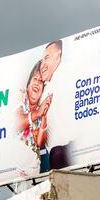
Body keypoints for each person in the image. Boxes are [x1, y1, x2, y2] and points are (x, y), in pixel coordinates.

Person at [39, 40, 73, 170]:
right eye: (42, 60)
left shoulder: (66, 74)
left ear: (59, 56)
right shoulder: (48, 85)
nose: (43, 64)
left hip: (65, 149)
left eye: (47, 58)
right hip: (54, 152)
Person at [15, 61, 52, 176]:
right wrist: (38, 112)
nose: (37, 83)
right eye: (35, 79)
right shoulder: (20, 98)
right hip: (17, 168)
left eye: (41, 81)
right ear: (28, 85)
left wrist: (44, 117)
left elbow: (39, 143)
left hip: (34, 168)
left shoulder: (39, 108)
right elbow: (19, 122)